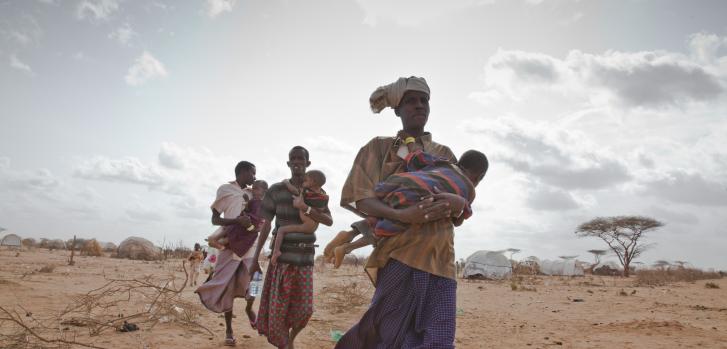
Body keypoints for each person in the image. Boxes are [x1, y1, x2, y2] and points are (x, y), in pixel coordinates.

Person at [336, 76, 471, 348]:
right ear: (396, 109)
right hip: (398, 257)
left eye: (423, 100)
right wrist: (404, 216)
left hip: (441, 259)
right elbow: (362, 199)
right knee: (386, 334)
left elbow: (459, 206)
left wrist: (459, 204)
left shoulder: (443, 153)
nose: (418, 105)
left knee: (439, 341)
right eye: (410, 101)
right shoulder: (377, 149)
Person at [252, 146, 333, 349]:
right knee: (279, 309)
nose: (297, 162)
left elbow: (329, 220)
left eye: (301, 159)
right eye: (293, 159)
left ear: (308, 163)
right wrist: (255, 258)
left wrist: (306, 208)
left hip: (305, 257)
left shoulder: (318, 194)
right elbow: (266, 225)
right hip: (282, 259)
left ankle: (290, 339)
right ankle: (285, 344)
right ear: (288, 163)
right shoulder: (276, 190)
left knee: (305, 309)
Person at [372, 130, 488, 237]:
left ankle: (369, 218)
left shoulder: (443, 163)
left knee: (388, 201)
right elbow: (457, 221)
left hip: (399, 180)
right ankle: (377, 230)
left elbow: (417, 155)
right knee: (407, 219)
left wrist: (409, 139)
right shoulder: (469, 190)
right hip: (417, 197)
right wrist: (461, 205)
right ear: (480, 177)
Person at [195, 161, 259, 346]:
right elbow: (215, 220)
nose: (254, 178)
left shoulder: (252, 193)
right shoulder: (225, 190)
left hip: (249, 245)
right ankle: (229, 330)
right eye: (252, 173)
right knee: (226, 288)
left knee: (256, 278)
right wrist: (236, 222)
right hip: (230, 245)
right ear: (243, 172)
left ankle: (249, 308)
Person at [271, 170, 328, 266]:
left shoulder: (306, 192)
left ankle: (276, 251)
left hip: (307, 225)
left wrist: (286, 182)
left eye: (306, 180)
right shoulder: (323, 195)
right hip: (314, 226)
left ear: (313, 182)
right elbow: (322, 211)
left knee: (281, 230)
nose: (303, 183)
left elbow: (293, 190)